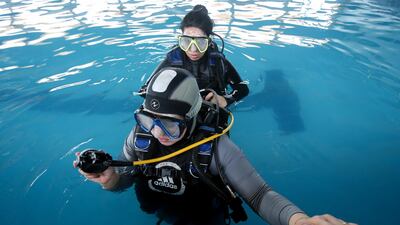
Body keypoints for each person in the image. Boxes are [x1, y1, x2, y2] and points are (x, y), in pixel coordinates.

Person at [74, 68, 357, 225]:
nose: (157, 133)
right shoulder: (140, 137)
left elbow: (259, 194)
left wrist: (299, 221)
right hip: (162, 210)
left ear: (191, 116)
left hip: (204, 218)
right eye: (149, 120)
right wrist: (109, 181)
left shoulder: (218, 148)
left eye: (170, 125)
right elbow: (126, 177)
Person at [138, 5, 249, 108]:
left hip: (210, 105)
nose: (193, 50)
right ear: (181, 39)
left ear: (209, 41)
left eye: (200, 42)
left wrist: (226, 100)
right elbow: (144, 90)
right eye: (187, 41)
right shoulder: (173, 60)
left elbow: (242, 88)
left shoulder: (218, 62)